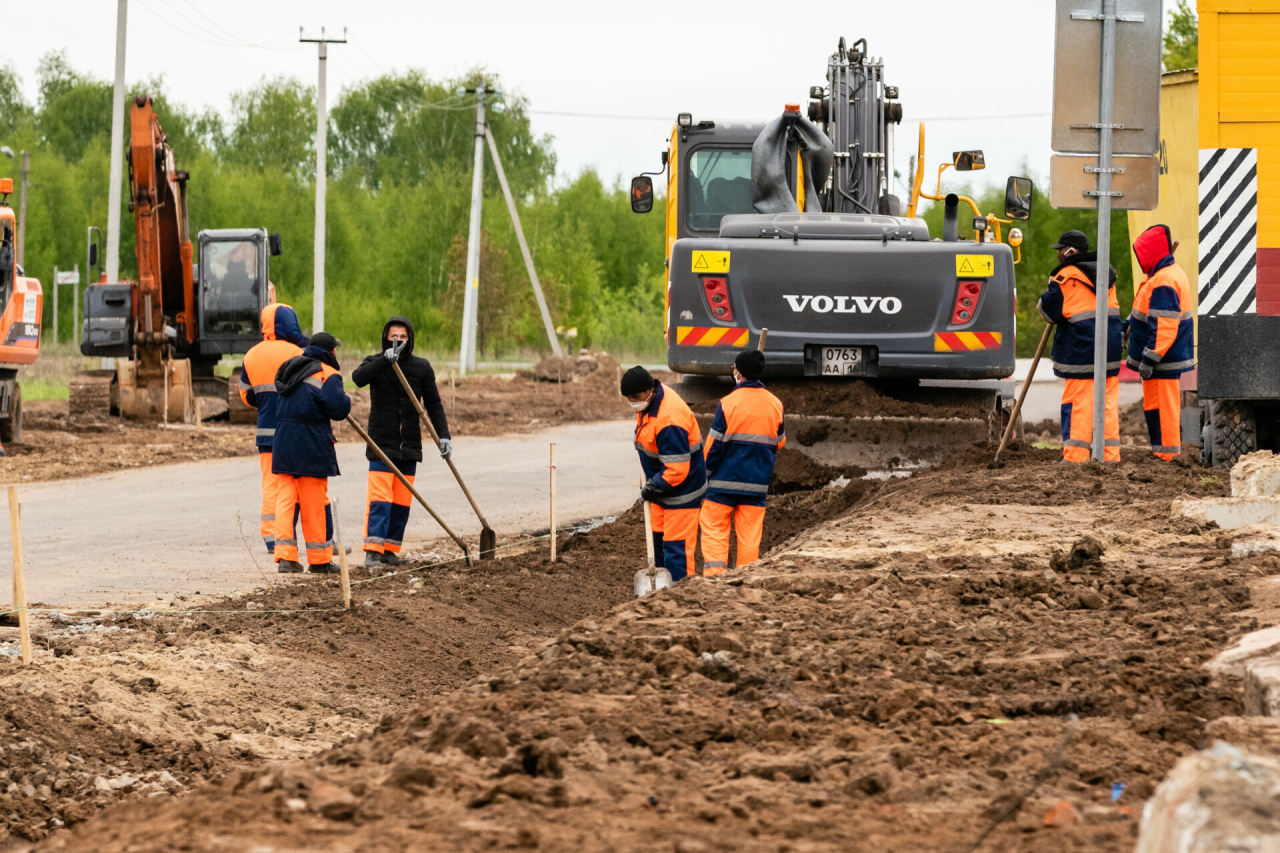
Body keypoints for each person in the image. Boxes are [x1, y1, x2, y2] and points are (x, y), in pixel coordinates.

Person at [351, 317, 451, 568]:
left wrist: (444, 436)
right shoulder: (375, 362)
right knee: (380, 500)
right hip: (381, 445)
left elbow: (434, 404)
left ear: (410, 340)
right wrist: (386, 359)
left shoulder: (422, 368)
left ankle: (389, 551)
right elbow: (358, 378)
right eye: (393, 337)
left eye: (403, 338)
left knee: (400, 503)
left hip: (409, 447)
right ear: (386, 338)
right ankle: (373, 552)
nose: (398, 342)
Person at [1037, 229, 1122, 462]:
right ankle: (1109, 457)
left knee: (1078, 406)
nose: (1059, 256)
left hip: (1081, 352)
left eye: (1061, 251)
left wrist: (1049, 290)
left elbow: (1046, 311)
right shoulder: (1107, 272)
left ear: (1071, 251)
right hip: (1110, 351)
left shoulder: (1066, 277)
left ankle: (1075, 458)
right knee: (1107, 407)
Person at [271, 332, 351, 573]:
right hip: (311, 447)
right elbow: (337, 408)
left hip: (284, 445)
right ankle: (320, 561)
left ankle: (286, 559)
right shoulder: (328, 373)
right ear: (331, 352)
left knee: (286, 501)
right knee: (315, 504)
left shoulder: (290, 368)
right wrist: (346, 400)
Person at [700, 350, 785, 576]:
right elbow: (779, 442)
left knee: (715, 529)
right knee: (749, 538)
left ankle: (715, 579)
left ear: (739, 372)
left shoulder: (728, 403)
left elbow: (713, 447)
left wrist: (704, 475)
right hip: (756, 485)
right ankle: (746, 581)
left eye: (734, 368)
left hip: (722, 484)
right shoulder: (776, 404)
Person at [622, 366, 707, 582]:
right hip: (662, 490)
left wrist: (653, 487)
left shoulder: (669, 419)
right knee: (658, 543)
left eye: (636, 397)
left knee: (676, 550)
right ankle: (660, 593)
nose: (633, 402)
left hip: (682, 493)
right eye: (629, 398)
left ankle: (681, 595)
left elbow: (677, 469)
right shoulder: (650, 403)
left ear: (649, 390)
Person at [239, 303, 308, 555]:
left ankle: (270, 537)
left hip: (266, 433)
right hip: (293, 433)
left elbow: (246, 395)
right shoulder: (298, 352)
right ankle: (289, 535)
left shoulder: (251, 354)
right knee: (294, 486)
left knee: (270, 485)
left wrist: (265, 403)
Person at [1128, 225, 1194, 460]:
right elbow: (1151, 312)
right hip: (1160, 362)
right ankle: (1162, 455)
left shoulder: (1164, 279)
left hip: (1161, 363)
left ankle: (1169, 457)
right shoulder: (1162, 276)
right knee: (1155, 410)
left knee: (1164, 412)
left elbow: (1164, 327)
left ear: (1149, 254)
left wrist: (1149, 359)